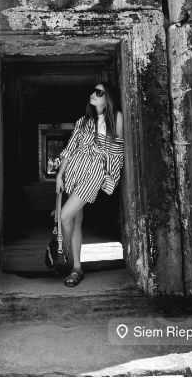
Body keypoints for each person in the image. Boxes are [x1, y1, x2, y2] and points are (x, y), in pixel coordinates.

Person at [54, 83, 124, 287]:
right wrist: (60, 176)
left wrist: (109, 175)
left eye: (99, 92)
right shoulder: (83, 121)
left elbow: (118, 150)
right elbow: (69, 149)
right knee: (75, 220)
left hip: (94, 172)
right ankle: (76, 268)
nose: (93, 94)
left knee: (65, 215)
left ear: (108, 97)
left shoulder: (116, 118)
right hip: (74, 170)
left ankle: (62, 252)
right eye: (93, 91)